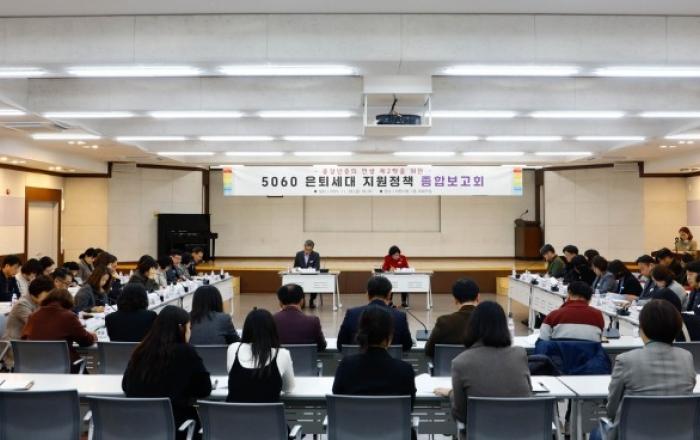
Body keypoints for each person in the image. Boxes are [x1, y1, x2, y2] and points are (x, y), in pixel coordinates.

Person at [597, 300, 696, 440]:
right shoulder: (687, 357)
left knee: (597, 433)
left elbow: (611, 410)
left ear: (642, 329)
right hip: (679, 434)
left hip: (632, 434)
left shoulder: (626, 360)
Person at [434, 302, 531, 430]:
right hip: (521, 433)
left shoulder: (460, 362)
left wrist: (452, 393)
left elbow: (461, 415)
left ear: (472, 327)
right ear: (504, 327)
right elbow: (528, 395)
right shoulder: (520, 355)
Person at [123, 306, 211, 440]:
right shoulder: (186, 352)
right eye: (189, 328)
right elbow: (204, 389)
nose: (190, 332)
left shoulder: (141, 350)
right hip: (177, 427)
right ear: (181, 328)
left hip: (139, 428)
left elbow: (126, 385)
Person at [332, 307, 417, 440]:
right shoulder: (405, 370)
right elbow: (409, 407)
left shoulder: (346, 366)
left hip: (353, 435)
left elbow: (338, 400)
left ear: (361, 334)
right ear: (390, 336)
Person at [226, 308, 295, 403]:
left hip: (233, 412)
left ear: (246, 329)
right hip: (269, 413)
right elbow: (288, 388)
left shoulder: (233, 348)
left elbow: (236, 381)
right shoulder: (282, 354)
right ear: (272, 329)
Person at [22, 288, 97, 372]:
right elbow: (85, 341)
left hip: (35, 367)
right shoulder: (69, 316)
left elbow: (24, 339)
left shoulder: (33, 316)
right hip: (64, 368)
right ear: (68, 302)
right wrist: (93, 336)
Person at [337, 276, 413, 351]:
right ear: (389, 295)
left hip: (358, 359)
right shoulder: (400, 316)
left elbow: (341, 345)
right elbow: (407, 346)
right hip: (389, 359)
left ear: (367, 294)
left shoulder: (352, 314)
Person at [2, 276, 53, 369]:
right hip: (16, 347)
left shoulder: (37, 302)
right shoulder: (22, 304)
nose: (49, 298)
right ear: (38, 292)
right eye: (47, 294)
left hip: (29, 344)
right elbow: (36, 326)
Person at [425, 278, 480, 358]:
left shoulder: (444, 322)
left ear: (455, 299)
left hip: (449, 365)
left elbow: (429, 351)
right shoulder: (489, 321)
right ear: (478, 297)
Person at [539, 281, 605, 342]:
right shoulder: (598, 315)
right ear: (590, 299)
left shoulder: (554, 315)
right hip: (588, 351)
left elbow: (543, 341)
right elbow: (598, 339)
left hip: (560, 351)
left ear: (569, 294)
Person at [273, 283, 327, 350]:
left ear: (280, 302)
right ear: (302, 301)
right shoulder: (313, 321)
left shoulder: (272, 320)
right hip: (306, 357)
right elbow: (322, 346)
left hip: (280, 357)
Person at [293, 240, 321, 308]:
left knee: (314, 284)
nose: (307, 251)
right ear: (304, 247)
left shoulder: (316, 255)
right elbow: (295, 266)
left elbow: (317, 267)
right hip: (300, 276)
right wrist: (298, 269)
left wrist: (311, 269)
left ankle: (311, 300)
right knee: (299, 285)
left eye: (309, 250)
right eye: (306, 249)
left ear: (312, 248)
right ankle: (302, 300)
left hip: (312, 276)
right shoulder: (299, 254)